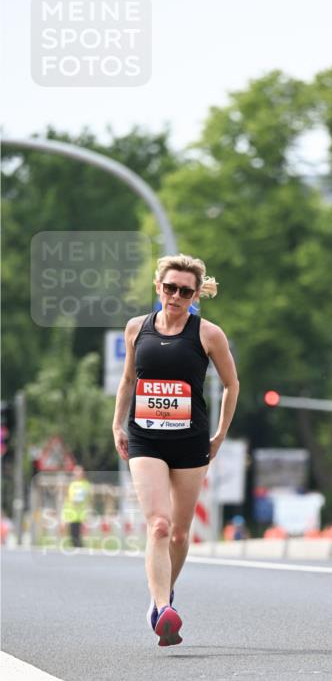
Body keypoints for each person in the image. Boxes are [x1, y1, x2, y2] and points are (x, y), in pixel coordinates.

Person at [112, 254, 239, 646]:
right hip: (145, 438)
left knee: (181, 534)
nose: (176, 296)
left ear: (196, 295)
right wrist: (117, 424)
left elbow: (232, 386)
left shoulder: (208, 334)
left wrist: (219, 435)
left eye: (185, 291)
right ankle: (162, 607)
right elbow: (128, 380)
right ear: (158, 287)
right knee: (159, 525)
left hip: (190, 441)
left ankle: (163, 600)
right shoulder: (137, 328)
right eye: (170, 288)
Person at [61, 464, 92, 547]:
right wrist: (64, 516)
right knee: (73, 539)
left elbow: (85, 500)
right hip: (71, 515)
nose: (77, 473)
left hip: (81, 516)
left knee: (79, 540)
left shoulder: (86, 484)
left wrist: (88, 516)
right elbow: (68, 501)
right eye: (76, 471)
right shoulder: (72, 485)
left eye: (79, 471)